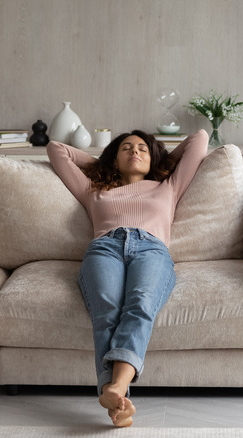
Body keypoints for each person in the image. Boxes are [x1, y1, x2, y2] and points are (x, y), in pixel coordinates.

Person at [47, 129, 208, 427]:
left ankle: (115, 390)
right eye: (126, 148)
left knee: (141, 304)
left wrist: (160, 160)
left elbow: (199, 138)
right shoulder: (93, 189)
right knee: (106, 312)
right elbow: (56, 149)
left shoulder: (168, 186)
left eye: (142, 149)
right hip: (105, 247)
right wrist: (103, 162)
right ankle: (118, 399)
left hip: (151, 249)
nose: (134, 152)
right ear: (114, 157)